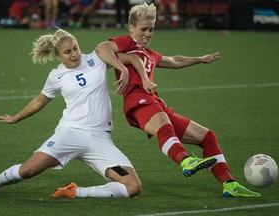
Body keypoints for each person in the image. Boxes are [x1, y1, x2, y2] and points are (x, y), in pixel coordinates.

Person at [95, 3, 261, 197]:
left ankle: (230, 184)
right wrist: (121, 68)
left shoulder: (150, 54)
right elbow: (102, 48)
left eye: (151, 29)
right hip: (137, 100)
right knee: (165, 127)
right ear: (131, 28)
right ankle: (184, 160)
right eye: (143, 29)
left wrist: (200, 59)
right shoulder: (127, 43)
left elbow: (173, 61)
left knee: (207, 137)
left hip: (155, 102)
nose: (148, 33)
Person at [0, 28, 143, 199]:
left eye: (76, 48)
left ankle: (73, 191)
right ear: (58, 56)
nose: (74, 54)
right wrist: (16, 117)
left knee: (133, 187)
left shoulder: (97, 58)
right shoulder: (56, 76)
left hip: (100, 140)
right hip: (71, 133)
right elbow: (39, 101)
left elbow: (132, 58)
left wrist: (137, 73)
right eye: (68, 52)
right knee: (28, 170)